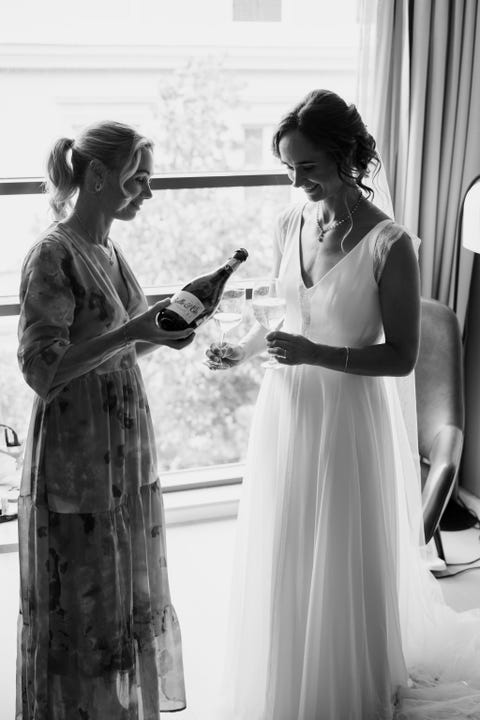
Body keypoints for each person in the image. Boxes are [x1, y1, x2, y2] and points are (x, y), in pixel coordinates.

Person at [206, 90, 480, 719]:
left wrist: (314, 354)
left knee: (339, 558)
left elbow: (403, 357)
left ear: (345, 155)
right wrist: (242, 350)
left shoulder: (390, 243)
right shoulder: (290, 223)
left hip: (348, 418)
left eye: (306, 166)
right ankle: (291, 681)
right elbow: (285, 318)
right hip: (287, 413)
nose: (295, 180)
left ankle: (346, 687)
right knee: (288, 548)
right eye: (287, 166)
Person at [16, 121, 194, 719]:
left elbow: (127, 344)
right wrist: (131, 333)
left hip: (123, 447)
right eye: (137, 179)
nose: (147, 191)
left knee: (123, 598)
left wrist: (159, 337)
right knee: (84, 604)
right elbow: (41, 368)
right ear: (97, 177)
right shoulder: (53, 253)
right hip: (78, 452)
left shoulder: (111, 250)